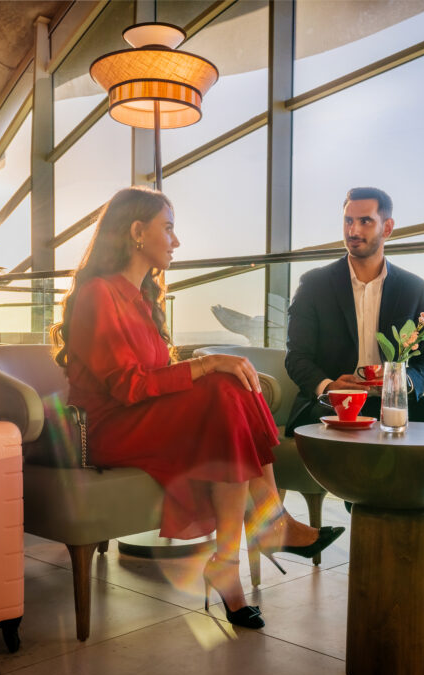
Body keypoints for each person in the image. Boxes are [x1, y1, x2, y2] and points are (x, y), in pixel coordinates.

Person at [52, 186, 344, 629]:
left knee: (230, 388)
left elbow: (154, 377)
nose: (176, 240)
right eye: (168, 228)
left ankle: (238, 552)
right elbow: (130, 387)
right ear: (136, 232)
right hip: (105, 430)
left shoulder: (142, 298)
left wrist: (211, 368)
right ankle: (268, 524)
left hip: (140, 417)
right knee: (222, 387)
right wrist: (206, 364)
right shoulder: (99, 294)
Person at [285, 186, 424, 578]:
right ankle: (383, 529)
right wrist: (326, 385)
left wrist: (402, 385)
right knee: (368, 420)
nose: (354, 229)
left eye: (365, 221)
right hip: (334, 404)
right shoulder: (315, 283)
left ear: (387, 227)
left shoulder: (412, 288)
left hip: (392, 400)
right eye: (348, 220)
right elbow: (297, 358)